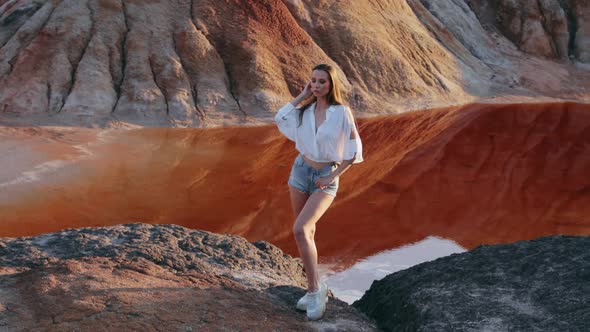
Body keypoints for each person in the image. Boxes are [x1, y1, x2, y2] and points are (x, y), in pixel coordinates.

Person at [274, 64, 363, 320]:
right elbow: (280, 118)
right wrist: (302, 96)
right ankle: (315, 288)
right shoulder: (305, 111)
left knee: (300, 229)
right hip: (300, 171)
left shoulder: (342, 112)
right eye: (313, 81)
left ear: (331, 84)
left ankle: (314, 291)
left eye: (321, 81)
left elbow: (354, 150)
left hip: (326, 176)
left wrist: (332, 176)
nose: (316, 85)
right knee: (306, 232)